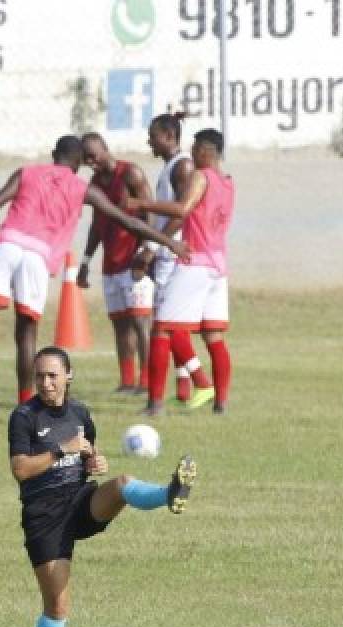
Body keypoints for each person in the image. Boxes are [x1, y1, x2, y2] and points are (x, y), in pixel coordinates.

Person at [0, 135, 189, 405]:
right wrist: (168, 242)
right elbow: (128, 222)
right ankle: (24, 402)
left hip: (7, 242)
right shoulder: (84, 188)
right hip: (38, 255)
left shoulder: (27, 173)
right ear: (79, 162)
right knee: (26, 331)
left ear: (53, 153)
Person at [9, 346, 196, 627]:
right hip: (44, 517)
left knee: (122, 484)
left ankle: (169, 494)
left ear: (68, 376)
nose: (46, 383)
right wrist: (61, 450)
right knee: (57, 605)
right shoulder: (23, 416)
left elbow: (90, 453)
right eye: (40, 376)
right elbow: (20, 469)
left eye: (52, 375)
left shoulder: (80, 413)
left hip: (80, 501)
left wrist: (96, 463)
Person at [126, 129, 235, 415]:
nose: (192, 151)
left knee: (161, 328)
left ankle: (155, 404)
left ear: (204, 151)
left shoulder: (202, 176)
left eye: (195, 146)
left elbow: (182, 209)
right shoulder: (228, 183)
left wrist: (140, 203)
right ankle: (221, 404)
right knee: (213, 336)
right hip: (218, 266)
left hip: (194, 262)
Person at [78, 133, 155, 394]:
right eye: (86, 158)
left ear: (105, 149)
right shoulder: (95, 182)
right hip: (110, 263)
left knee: (141, 322)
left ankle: (146, 382)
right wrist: (86, 261)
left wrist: (147, 250)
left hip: (134, 261)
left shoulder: (130, 173)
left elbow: (150, 211)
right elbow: (96, 225)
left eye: (94, 155)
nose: (91, 161)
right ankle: (127, 381)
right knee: (120, 324)